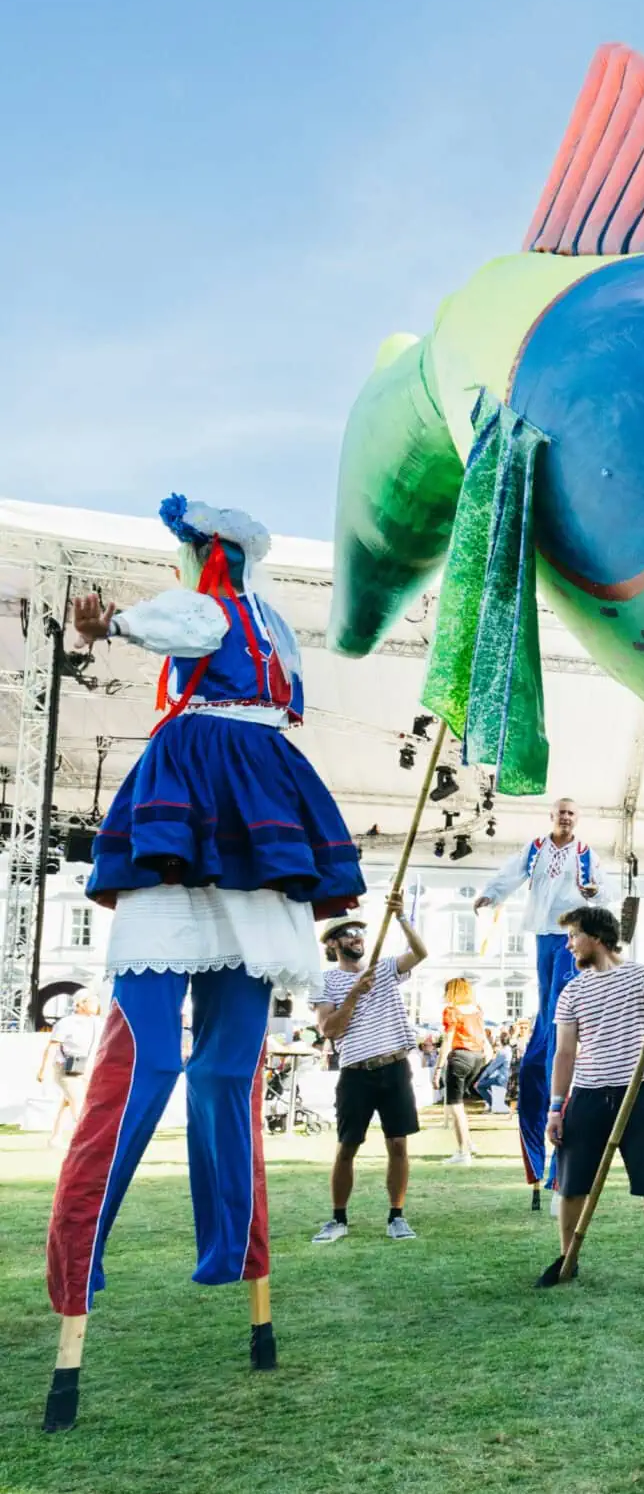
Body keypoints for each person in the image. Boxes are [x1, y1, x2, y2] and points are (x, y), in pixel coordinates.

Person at [41, 496, 363, 1432]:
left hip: (204, 785)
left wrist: (112, 622)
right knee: (223, 1067)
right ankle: (220, 1252)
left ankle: (101, 1255)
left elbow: (177, 621)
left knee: (151, 1065)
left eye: (192, 550)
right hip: (254, 799)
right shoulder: (274, 628)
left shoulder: (215, 607)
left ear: (210, 553)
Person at [545, 905, 644, 1299]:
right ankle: (566, 1259)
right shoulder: (573, 990)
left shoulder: (641, 974)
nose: (570, 944)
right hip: (587, 1097)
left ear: (596, 936)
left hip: (638, 1092)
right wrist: (556, 1109)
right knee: (571, 1185)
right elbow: (564, 1054)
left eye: (574, 936)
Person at [474, 796, 602, 1208]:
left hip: (569, 932)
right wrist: (491, 896)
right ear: (552, 817)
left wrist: (593, 891)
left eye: (572, 813)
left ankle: (556, 1037)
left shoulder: (584, 854)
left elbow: (601, 888)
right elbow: (512, 874)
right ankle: (547, 1036)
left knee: (560, 1000)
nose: (566, 818)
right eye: (561, 813)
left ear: (576, 819)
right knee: (546, 1003)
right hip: (542, 933)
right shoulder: (535, 849)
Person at [312, 891, 428, 1242]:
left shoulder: (385, 968)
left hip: (394, 1066)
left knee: (398, 1145)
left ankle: (396, 1216)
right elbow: (329, 1029)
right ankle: (338, 1219)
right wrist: (354, 994)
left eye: (359, 931)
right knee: (347, 1146)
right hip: (355, 1072)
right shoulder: (326, 981)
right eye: (347, 933)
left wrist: (401, 918)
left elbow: (420, 953)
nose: (356, 937)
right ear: (333, 943)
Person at [437, 975, 489, 1164]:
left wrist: (438, 1068)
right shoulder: (477, 1010)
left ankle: (462, 1152)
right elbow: (483, 1037)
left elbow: (448, 1041)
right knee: (458, 1105)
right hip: (477, 1057)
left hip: (460, 1056)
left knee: (455, 1106)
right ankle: (469, 1143)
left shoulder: (452, 1011)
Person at [38, 995, 101, 1148]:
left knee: (68, 1103)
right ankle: (86, 1140)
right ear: (81, 1004)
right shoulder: (66, 1023)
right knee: (77, 1102)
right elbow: (52, 1046)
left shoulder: (96, 1022)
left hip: (85, 1068)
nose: (96, 1004)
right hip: (66, 1068)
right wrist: (43, 1069)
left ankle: (55, 1139)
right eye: (92, 1001)